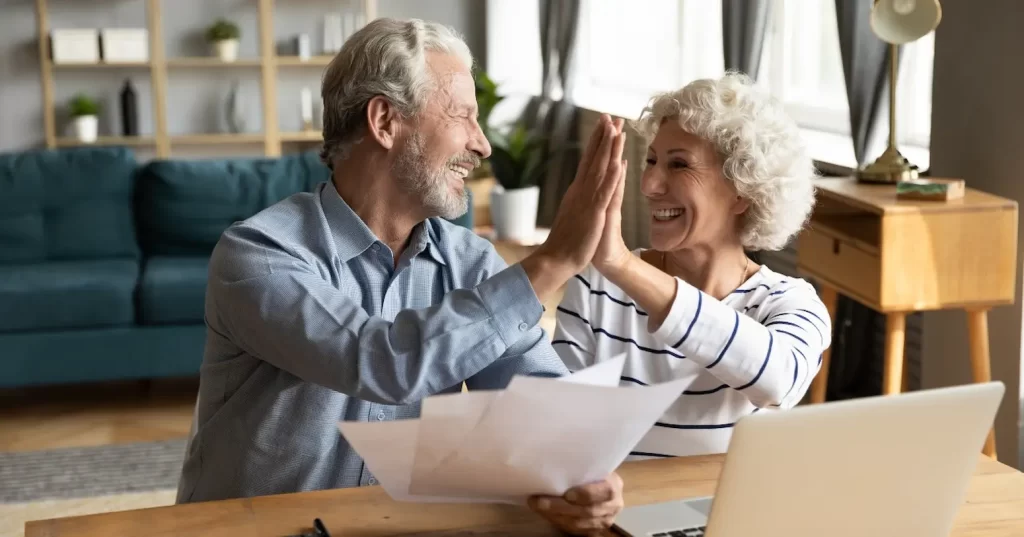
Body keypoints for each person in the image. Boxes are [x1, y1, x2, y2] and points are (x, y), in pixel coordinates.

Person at [176, 17, 626, 535]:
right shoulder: (258, 254)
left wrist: (582, 469)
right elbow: (380, 362)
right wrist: (552, 262)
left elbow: (536, 398)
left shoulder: (469, 262)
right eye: (463, 116)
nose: (482, 145)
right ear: (385, 121)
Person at [553, 72, 833, 459]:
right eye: (651, 160)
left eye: (679, 165)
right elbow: (558, 428)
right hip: (616, 511)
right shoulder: (598, 287)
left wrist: (622, 265)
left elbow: (777, 380)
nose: (650, 184)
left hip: (731, 515)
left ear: (742, 191)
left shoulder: (790, 304)